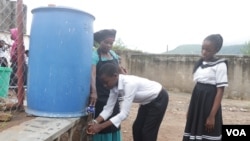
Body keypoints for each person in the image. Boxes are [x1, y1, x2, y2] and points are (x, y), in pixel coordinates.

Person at [87, 62, 169, 141]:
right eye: (103, 84)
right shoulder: (113, 87)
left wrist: (100, 127)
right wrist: (95, 122)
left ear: (115, 76)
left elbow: (124, 114)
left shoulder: (129, 84)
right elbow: (108, 109)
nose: (105, 86)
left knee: (147, 132)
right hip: (146, 102)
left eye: (106, 82)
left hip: (159, 98)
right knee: (137, 128)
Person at [182, 34, 228, 141]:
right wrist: (190, 109)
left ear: (216, 50)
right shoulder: (200, 64)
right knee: (193, 134)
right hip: (196, 103)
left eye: (208, 50)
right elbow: (197, 89)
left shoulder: (220, 65)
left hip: (209, 105)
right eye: (203, 48)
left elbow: (220, 91)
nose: (204, 52)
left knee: (208, 132)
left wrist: (212, 116)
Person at [88, 29, 125, 141]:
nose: (109, 45)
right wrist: (94, 92)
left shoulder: (113, 54)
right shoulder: (94, 55)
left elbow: (118, 71)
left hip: (114, 92)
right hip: (101, 94)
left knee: (114, 119)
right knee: (102, 117)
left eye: (111, 43)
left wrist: (122, 72)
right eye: (106, 42)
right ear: (100, 42)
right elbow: (92, 74)